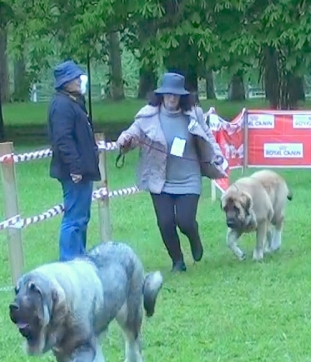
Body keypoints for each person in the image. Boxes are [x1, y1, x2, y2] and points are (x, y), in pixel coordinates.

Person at [116, 72, 226, 272]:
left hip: (189, 178)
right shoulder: (148, 116)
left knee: (185, 221)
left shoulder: (194, 114)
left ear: (183, 96)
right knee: (165, 223)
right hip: (160, 179)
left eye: (176, 95)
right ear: (161, 95)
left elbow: (208, 137)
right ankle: (177, 261)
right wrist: (124, 141)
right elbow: (133, 133)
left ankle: (194, 237)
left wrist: (216, 156)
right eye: (168, 94)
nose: (172, 98)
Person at [48, 60, 101, 261]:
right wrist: (75, 168)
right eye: (74, 78)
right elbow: (63, 140)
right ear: (65, 82)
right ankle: (70, 260)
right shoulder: (62, 105)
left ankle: (78, 257)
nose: (79, 80)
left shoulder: (72, 101)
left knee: (81, 218)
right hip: (74, 172)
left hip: (81, 170)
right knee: (74, 219)